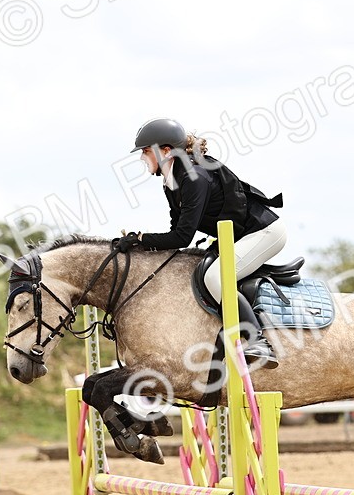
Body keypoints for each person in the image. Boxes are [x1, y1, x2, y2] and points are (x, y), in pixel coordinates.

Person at [121, 118, 285, 368]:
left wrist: (142, 240)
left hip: (264, 233)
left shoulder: (194, 176)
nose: (143, 158)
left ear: (165, 151)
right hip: (237, 235)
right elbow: (175, 232)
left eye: (146, 151)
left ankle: (258, 341)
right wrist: (139, 243)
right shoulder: (172, 180)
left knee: (215, 277)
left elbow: (182, 237)